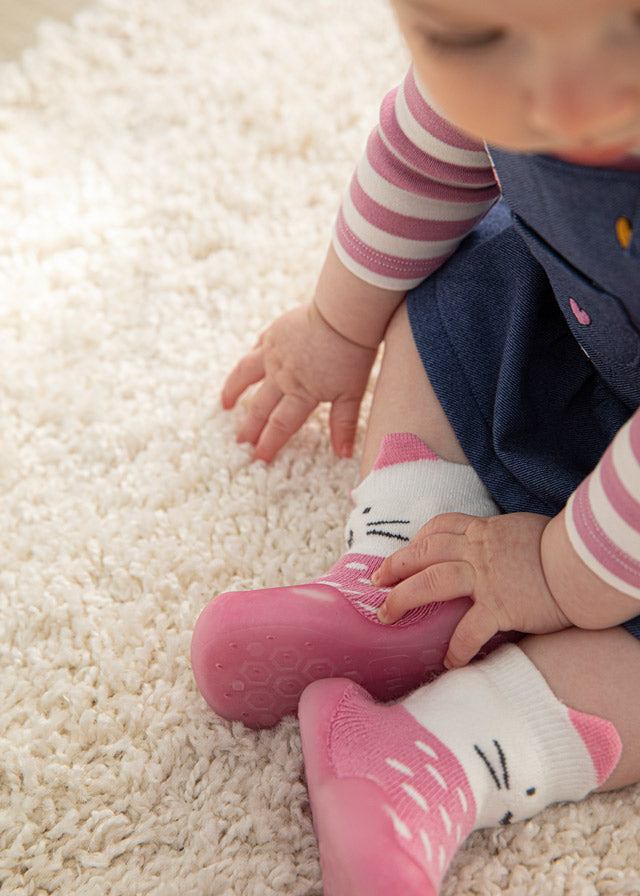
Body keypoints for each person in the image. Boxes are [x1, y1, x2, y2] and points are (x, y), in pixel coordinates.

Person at [191, 0, 640, 891]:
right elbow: (429, 148)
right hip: (593, 338)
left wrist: (552, 573)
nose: (557, 99)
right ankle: (396, 568)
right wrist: (336, 324)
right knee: (462, 287)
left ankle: (429, 755)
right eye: (472, 39)